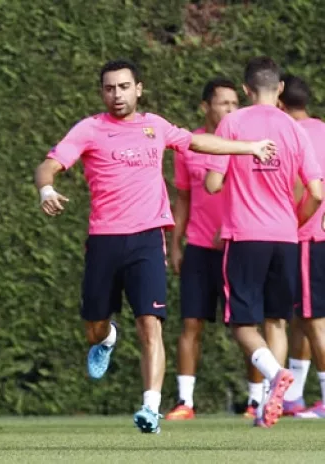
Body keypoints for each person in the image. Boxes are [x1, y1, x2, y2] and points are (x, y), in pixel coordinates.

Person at [34, 59, 275, 434]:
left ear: (139, 89)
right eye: (110, 88)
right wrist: (46, 188)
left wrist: (250, 147)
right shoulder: (89, 129)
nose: (117, 95)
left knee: (151, 324)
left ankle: (151, 408)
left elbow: (197, 141)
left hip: (148, 238)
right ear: (102, 92)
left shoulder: (155, 126)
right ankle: (108, 338)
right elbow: (49, 165)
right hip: (104, 240)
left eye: (124, 87)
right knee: (94, 327)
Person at [204, 57, 323, 428]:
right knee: (277, 322)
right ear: (281, 90)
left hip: (245, 235)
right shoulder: (295, 128)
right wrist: (295, 220)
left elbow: (212, 184)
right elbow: (317, 193)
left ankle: (275, 377)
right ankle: (270, 404)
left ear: (245, 89)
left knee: (241, 322)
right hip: (286, 238)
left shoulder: (233, 122)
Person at [165, 78, 240, 420]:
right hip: (197, 246)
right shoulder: (189, 147)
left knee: (247, 323)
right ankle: (186, 403)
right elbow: (183, 198)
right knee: (191, 324)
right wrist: (175, 244)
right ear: (205, 107)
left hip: (237, 245)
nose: (230, 110)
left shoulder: (244, 145)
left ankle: (257, 402)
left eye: (235, 104)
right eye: (223, 103)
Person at [277, 73, 325, 419]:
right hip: (317, 236)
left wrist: (290, 225)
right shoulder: (322, 129)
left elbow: (306, 189)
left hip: (308, 236)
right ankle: (293, 396)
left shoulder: (290, 133)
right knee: (301, 317)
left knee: (314, 320)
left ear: (280, 102)